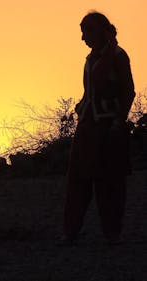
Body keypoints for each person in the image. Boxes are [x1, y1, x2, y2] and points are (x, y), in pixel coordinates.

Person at [62, 12, 135, 245]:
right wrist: (82, 106)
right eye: (82, 31)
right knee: (77, 180)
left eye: (87, 31)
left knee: (109, 183)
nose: (83, 37)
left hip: (108, 127)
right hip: (87, 125)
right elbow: (90, 91)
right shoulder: (90, 58)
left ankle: (112, 233)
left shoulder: (118, 56)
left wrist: (118, 121)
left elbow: (128, 91)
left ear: (102, 31)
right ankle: (71, 231)